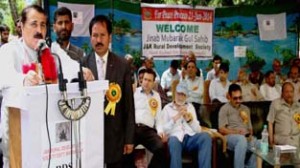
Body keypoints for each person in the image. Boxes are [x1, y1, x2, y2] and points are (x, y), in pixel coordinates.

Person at [0, 5, 94, 167]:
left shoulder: (50, 49)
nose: (39, 29)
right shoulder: (10, 50)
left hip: (47, 133)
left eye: (43, 25)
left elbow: (68, 65)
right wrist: (23, 79)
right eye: (34, 24)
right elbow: (4, 76)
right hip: (19, 134)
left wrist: (82, 71)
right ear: (21, 26)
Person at [82, 15, 135, 168]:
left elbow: (128, 106)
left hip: (116, 137)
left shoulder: (122, 65)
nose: (98, 40)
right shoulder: (82, 64)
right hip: (90, 138)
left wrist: (129, 139)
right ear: (90, 38)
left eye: (102, 35)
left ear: (110, 37)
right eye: (95, 35)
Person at [161, 82, 212, 168]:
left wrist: (190, 120)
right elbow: (163, 129)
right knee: (173, 140)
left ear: (186, 97)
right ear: (175, 93)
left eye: (183, 95)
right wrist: (176, 117)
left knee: (205, 137)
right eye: (179, 94)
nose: (180, 97)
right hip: (176, 139)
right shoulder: (167, 108)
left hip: (190, 138)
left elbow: (198, 130)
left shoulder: (190, 107)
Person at [128, 68, 167, 168]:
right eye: (145, 79)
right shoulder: (134, 92)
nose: (146, 82)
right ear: (141, 80)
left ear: (154, 82)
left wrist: (160, 131)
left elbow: (158, 117)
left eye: (149, 80)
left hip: (148, 130)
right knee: (125, 152)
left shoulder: (156, 96)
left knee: (161, 148)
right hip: (134, 129)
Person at [218, 83, 256, 168]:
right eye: (235, 98)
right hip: (231, 137)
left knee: (260, 144)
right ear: (229, 97)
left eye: (240, 98)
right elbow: (221, 129)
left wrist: (249, 135)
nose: (238, 100)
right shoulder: (224, 109)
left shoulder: (246, 109)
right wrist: (237, 132)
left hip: (246, 137)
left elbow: (250, 129)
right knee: (241, 140)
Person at [267, 82, 300, 148]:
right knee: (293, 145)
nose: (289, 94)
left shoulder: (298, 105)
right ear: (282, 93)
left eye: (291, 91)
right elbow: (270, 122)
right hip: (282, 137)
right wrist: (271, 141)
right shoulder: (275, 104)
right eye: (287, 92)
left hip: (297, 136)